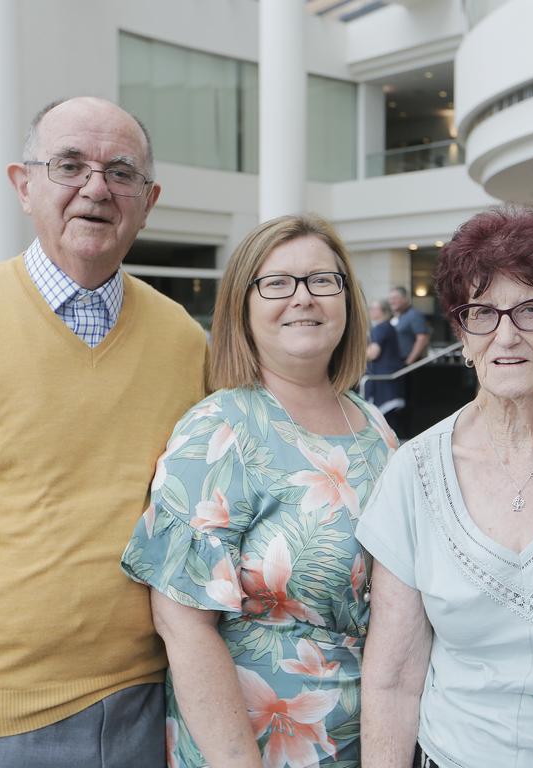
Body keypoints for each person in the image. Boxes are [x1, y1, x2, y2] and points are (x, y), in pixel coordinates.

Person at [0, 96, 208, 768]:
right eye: (70, 165)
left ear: (148, 201)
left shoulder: (185, 341)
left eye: (120, 172)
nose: (96, 187)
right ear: (22, 184)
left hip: (151, 710)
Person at [121, 214, 397, 768]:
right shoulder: (220, 429)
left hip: (369, 743)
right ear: (242, 307)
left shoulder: (376, 432)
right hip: (253, 748)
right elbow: (183, 624)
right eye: (277, 283)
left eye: (323, 280)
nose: (303, 298)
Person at [358, 205, 533, 767]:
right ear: (462, 336)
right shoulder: (413, 473)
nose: (506, 336)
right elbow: (394, 680)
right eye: (482, 314)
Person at [365, 298, 406, 431]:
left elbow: (373, 353)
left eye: (373, 308)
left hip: (384, 383)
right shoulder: (387, 327)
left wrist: (354, 354)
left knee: (385, 427)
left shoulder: (381, 328)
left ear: (382, 311)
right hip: (388, 381)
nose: (370, 311)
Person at [388, 285, 430, 366]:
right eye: (390, 298)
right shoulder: (396, 316)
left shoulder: (414, 315)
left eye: (395, 298)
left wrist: (408, 362)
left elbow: (422, 339)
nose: (391, 301)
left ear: (405, 298)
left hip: (409, 364)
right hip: (396, 362)